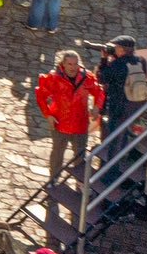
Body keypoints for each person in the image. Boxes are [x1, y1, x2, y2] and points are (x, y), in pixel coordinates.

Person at [34, 50, 103, 190]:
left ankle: (81, 182)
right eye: (70, 64)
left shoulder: (87, 78)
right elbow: (40, 95)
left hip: (80, 124)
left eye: (75, 64)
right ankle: (54, 179)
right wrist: (48, 115)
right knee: (57, 154)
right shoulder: (53, 79)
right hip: (60, 123)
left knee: (80, 155)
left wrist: (97, 107)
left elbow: (99, 92)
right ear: (63, 64)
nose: (73, 67)